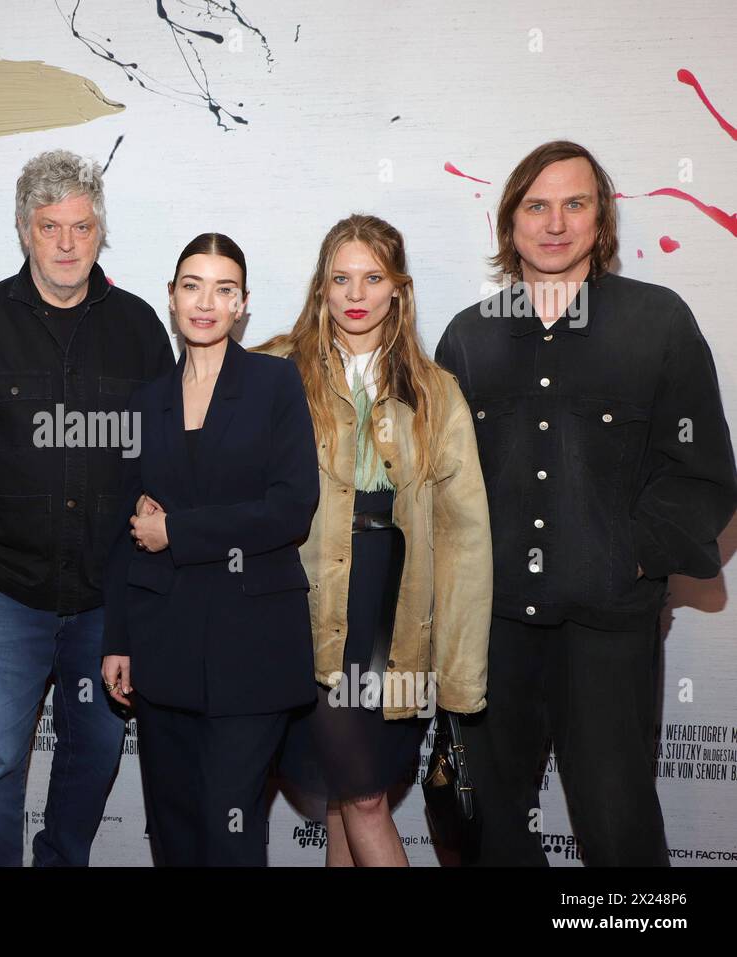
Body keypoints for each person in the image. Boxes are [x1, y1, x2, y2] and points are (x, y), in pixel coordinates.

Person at [436, 140, 737, 866]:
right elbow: (436, 487)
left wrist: (629, 559)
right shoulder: (468, 337)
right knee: (483, 829)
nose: (555, 223)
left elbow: (704, 474)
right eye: (536, 206)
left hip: (609, 635)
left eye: (575, 203)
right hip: (493, 633)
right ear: (509, 224)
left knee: (621, 832)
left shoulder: (658, 323)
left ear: (602, 221)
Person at [0, 149, 174, 866]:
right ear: (25, 230)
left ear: (100, 233)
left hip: (105, 600)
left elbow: (165, 460)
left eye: (82, 226)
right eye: (50, 225)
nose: (67, 242)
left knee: (92, 761)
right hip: (3, 594)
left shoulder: (140, 329)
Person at [263, 214, 491, 865]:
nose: (355, 293)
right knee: (360, 795)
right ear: (322, 287)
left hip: (397, 616)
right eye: (340, 277)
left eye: (372, 277)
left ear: (399, 288)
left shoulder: (435, 391)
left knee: (352, 794)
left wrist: (461, 670)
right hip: (308, 605)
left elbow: (465, 537)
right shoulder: (278, 369)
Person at [102, 233, 319, 866]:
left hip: (252, 649)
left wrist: (180, 532)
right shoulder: (144, 402)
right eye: (192, 286)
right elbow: (125, 528)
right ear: (171, 298)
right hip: (162, 641)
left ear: (243, 304)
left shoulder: (276, 383)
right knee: (174, 832)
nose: (206, 302)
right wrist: (118, 637)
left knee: (230, 832)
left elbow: (290, 508)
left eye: (224, 290)